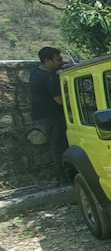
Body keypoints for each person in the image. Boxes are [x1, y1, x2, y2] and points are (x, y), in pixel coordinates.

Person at [29, 46, 69, 186]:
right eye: (58, 60)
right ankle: (65, 178)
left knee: (58, 146)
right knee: (60, 146)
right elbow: (59, 100)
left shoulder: (36, 73)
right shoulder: (48, 77)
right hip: (52, 116)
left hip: (43, 116)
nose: (61, 62)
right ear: (47, 60)